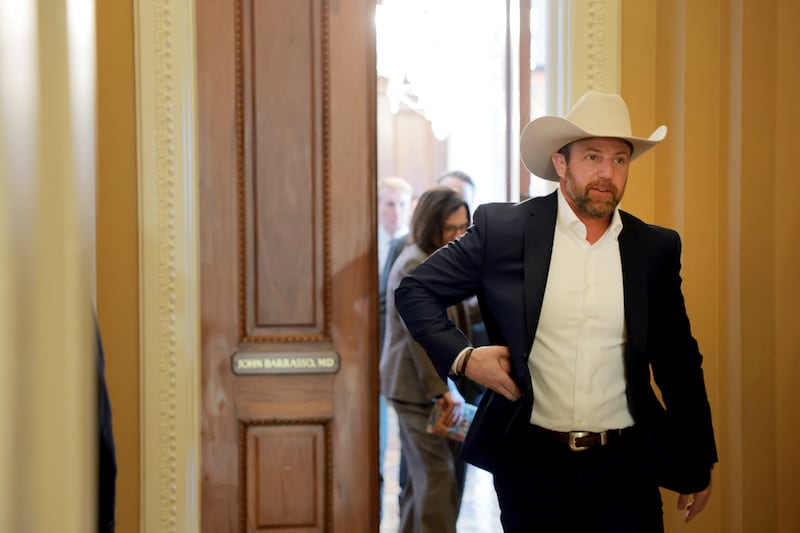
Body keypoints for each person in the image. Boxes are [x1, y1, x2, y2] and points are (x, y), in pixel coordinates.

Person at [394, 91, 718, 532]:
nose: (607, 173)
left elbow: (679, 360)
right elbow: (414, 290)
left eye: (620, 160)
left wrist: (698, 458)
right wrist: (465, 358)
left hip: (627, 468)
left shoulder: (654, 249)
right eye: (593, 156)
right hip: (532, 469)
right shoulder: (503, 232)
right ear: (561, 163)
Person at [380, 186, 476, 532]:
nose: (458, 235)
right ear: (430, 224)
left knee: (423, 481)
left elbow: (457, 309)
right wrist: (441, 391)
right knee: (438, 479)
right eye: (450, 228)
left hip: (424, 388)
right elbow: (418, 337)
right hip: (417, 390)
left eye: (464, 227)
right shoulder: (414, 263)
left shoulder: (431, 257)